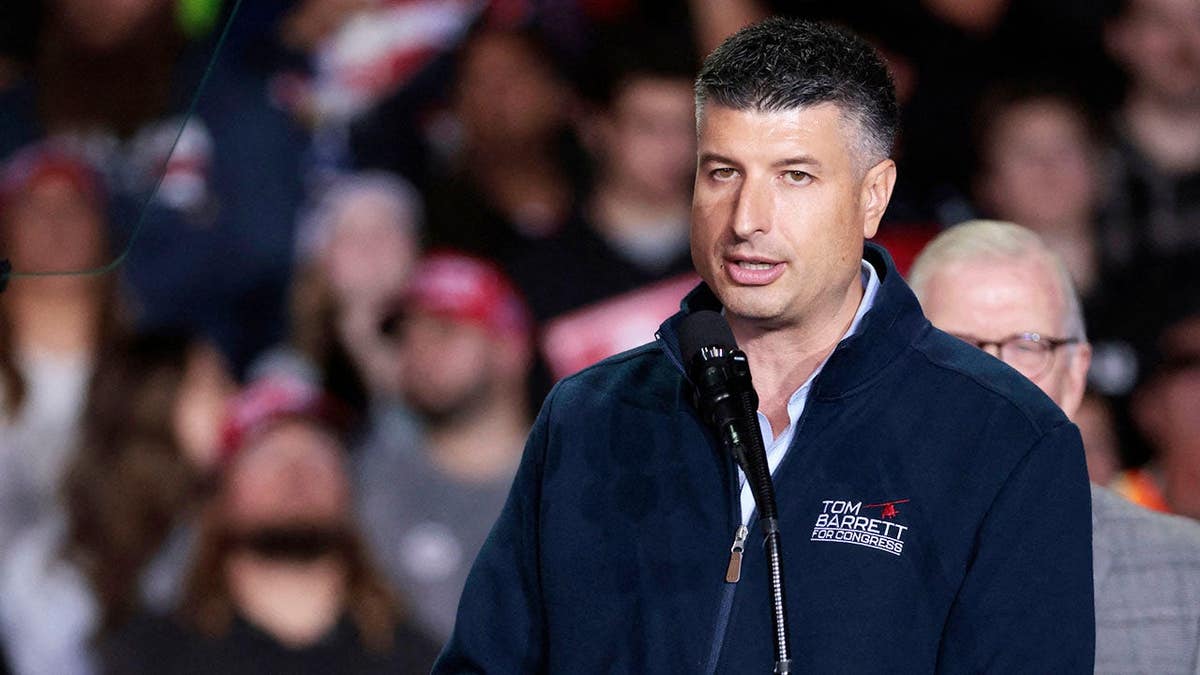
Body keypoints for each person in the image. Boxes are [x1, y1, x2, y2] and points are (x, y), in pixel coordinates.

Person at [436, 18, 1093, 673]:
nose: (747, 218)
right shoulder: (586, 416)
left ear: (873, 197)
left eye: (794, 176)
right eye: (722, 172)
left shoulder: (1007, 438)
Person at [908, 219, 1200, 674]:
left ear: (1076, 374)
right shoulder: (834, 559)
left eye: (1029, 346)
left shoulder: (1185, 575)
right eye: (958, 347)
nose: (995, 378)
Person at [103, 375, 440, 674]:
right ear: (220, 493)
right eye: (267, 458)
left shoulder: (419, 660)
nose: (296, 474)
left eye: (319, 455)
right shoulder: (148, 658)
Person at [0, 331, 233, 675]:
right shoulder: (48, 569)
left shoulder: (230, 527)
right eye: (207, 384)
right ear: (151, 400)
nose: (232, 399)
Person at [357, 251, 533, 643]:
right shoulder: (366, 482)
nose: (418, 354)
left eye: (443, 332)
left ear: (510, 348)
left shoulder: (577, 479)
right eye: (406, 338)